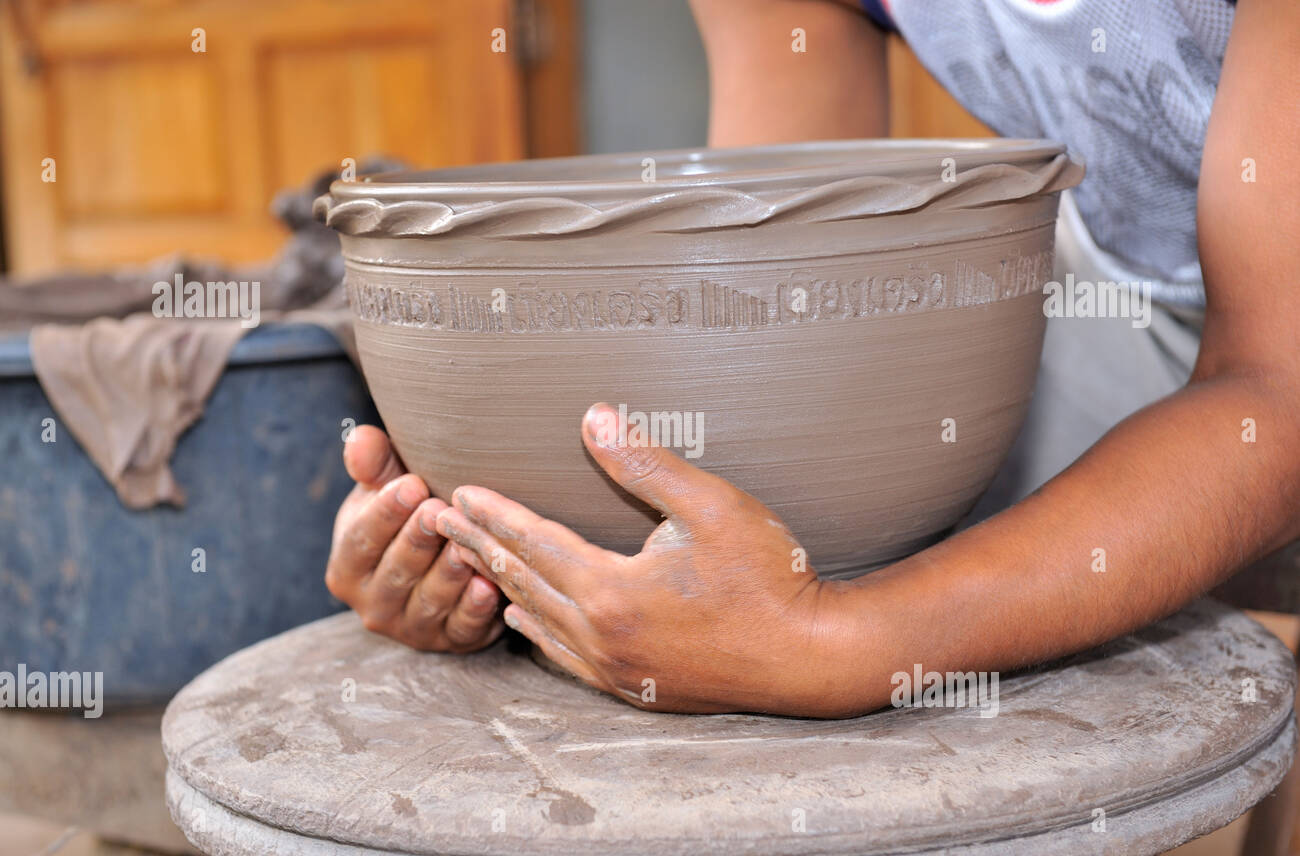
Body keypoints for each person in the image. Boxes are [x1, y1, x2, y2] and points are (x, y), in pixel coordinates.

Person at [324, 0, 1299, 716]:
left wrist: (850, 644)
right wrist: (509, 564)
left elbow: (1276, 386)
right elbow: (774, 327)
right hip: (1137, 277)